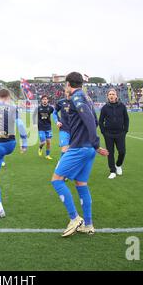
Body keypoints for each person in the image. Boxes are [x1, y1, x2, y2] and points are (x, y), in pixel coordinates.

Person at [50, 72, 108, 237]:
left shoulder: (76, 98)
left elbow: (90, 120)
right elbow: (95, 121)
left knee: (56, 180)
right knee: (81, 183)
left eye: (65, 84)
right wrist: (93, 144)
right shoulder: (87, 97)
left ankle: (75, 218)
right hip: (87, 148)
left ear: (69, 84)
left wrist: (95, 143)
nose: (64, 87)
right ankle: (88, 225)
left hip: (79, 148)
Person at [0, 89, 28, 218]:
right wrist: (24, 143)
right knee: (1, 154)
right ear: (8, 97)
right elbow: (20, 125)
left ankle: (0, 208)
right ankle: (2, 159)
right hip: (10, 145)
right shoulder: (13, 108)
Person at [98, 88, 130, 179]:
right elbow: (100, 121)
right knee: (110, 153)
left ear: (116, 96)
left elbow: (126, 119)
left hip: (120, 133)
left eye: (113, 94)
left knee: (122, 151)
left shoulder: (122, 106)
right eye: (110, 94)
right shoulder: (104, 108)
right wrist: (103, 132)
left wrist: (125, 130)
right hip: (108, 134)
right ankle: (112, 171)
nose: (111, 96)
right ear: (107, 96)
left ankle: (118, 165)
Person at [33, 95, 54, 160]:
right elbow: (34, 115)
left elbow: (55, 113)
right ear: (41, 100)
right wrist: (34, 124)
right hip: (41, 127)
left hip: (48, 127)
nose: (44, 100)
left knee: (48, 142)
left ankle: (47, 155)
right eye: (43, 99)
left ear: (47, 100)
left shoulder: (50, 108)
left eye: (46, 99)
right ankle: (40, 148)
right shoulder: (38, 108)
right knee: (43, 142)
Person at [53, 90, 71, 157]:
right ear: (65, 93)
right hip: (64, 128)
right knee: (64, 148)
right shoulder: (61, 102)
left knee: (72, 150)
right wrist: (57, 121)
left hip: (75, 129)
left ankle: (68, 165)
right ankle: (61, 165)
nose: (69, 94)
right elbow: (54, 112)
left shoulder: (77, 102)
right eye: (67, 92)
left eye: (70, 92)